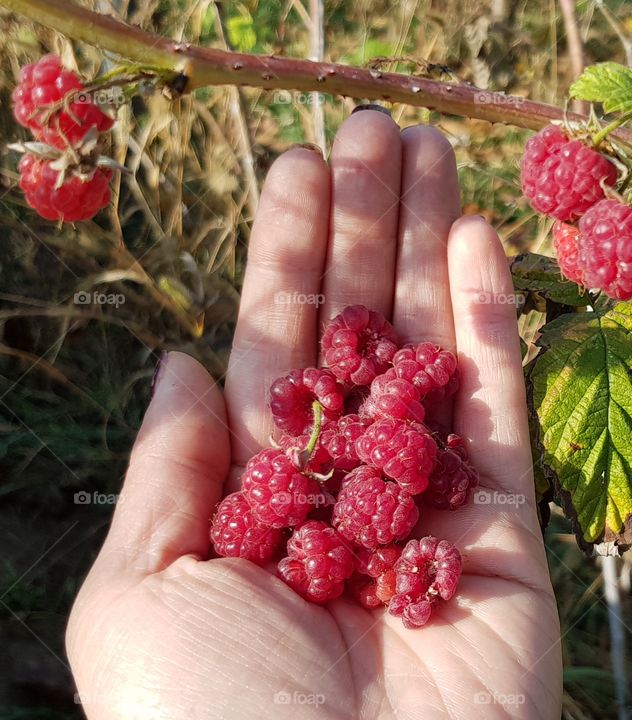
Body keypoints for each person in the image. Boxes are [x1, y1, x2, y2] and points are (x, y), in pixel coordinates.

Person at [65, 109, 563, 719]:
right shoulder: (333, 485)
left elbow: (382, 477)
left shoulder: (382, 463)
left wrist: (395, 469)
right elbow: (341, 499)